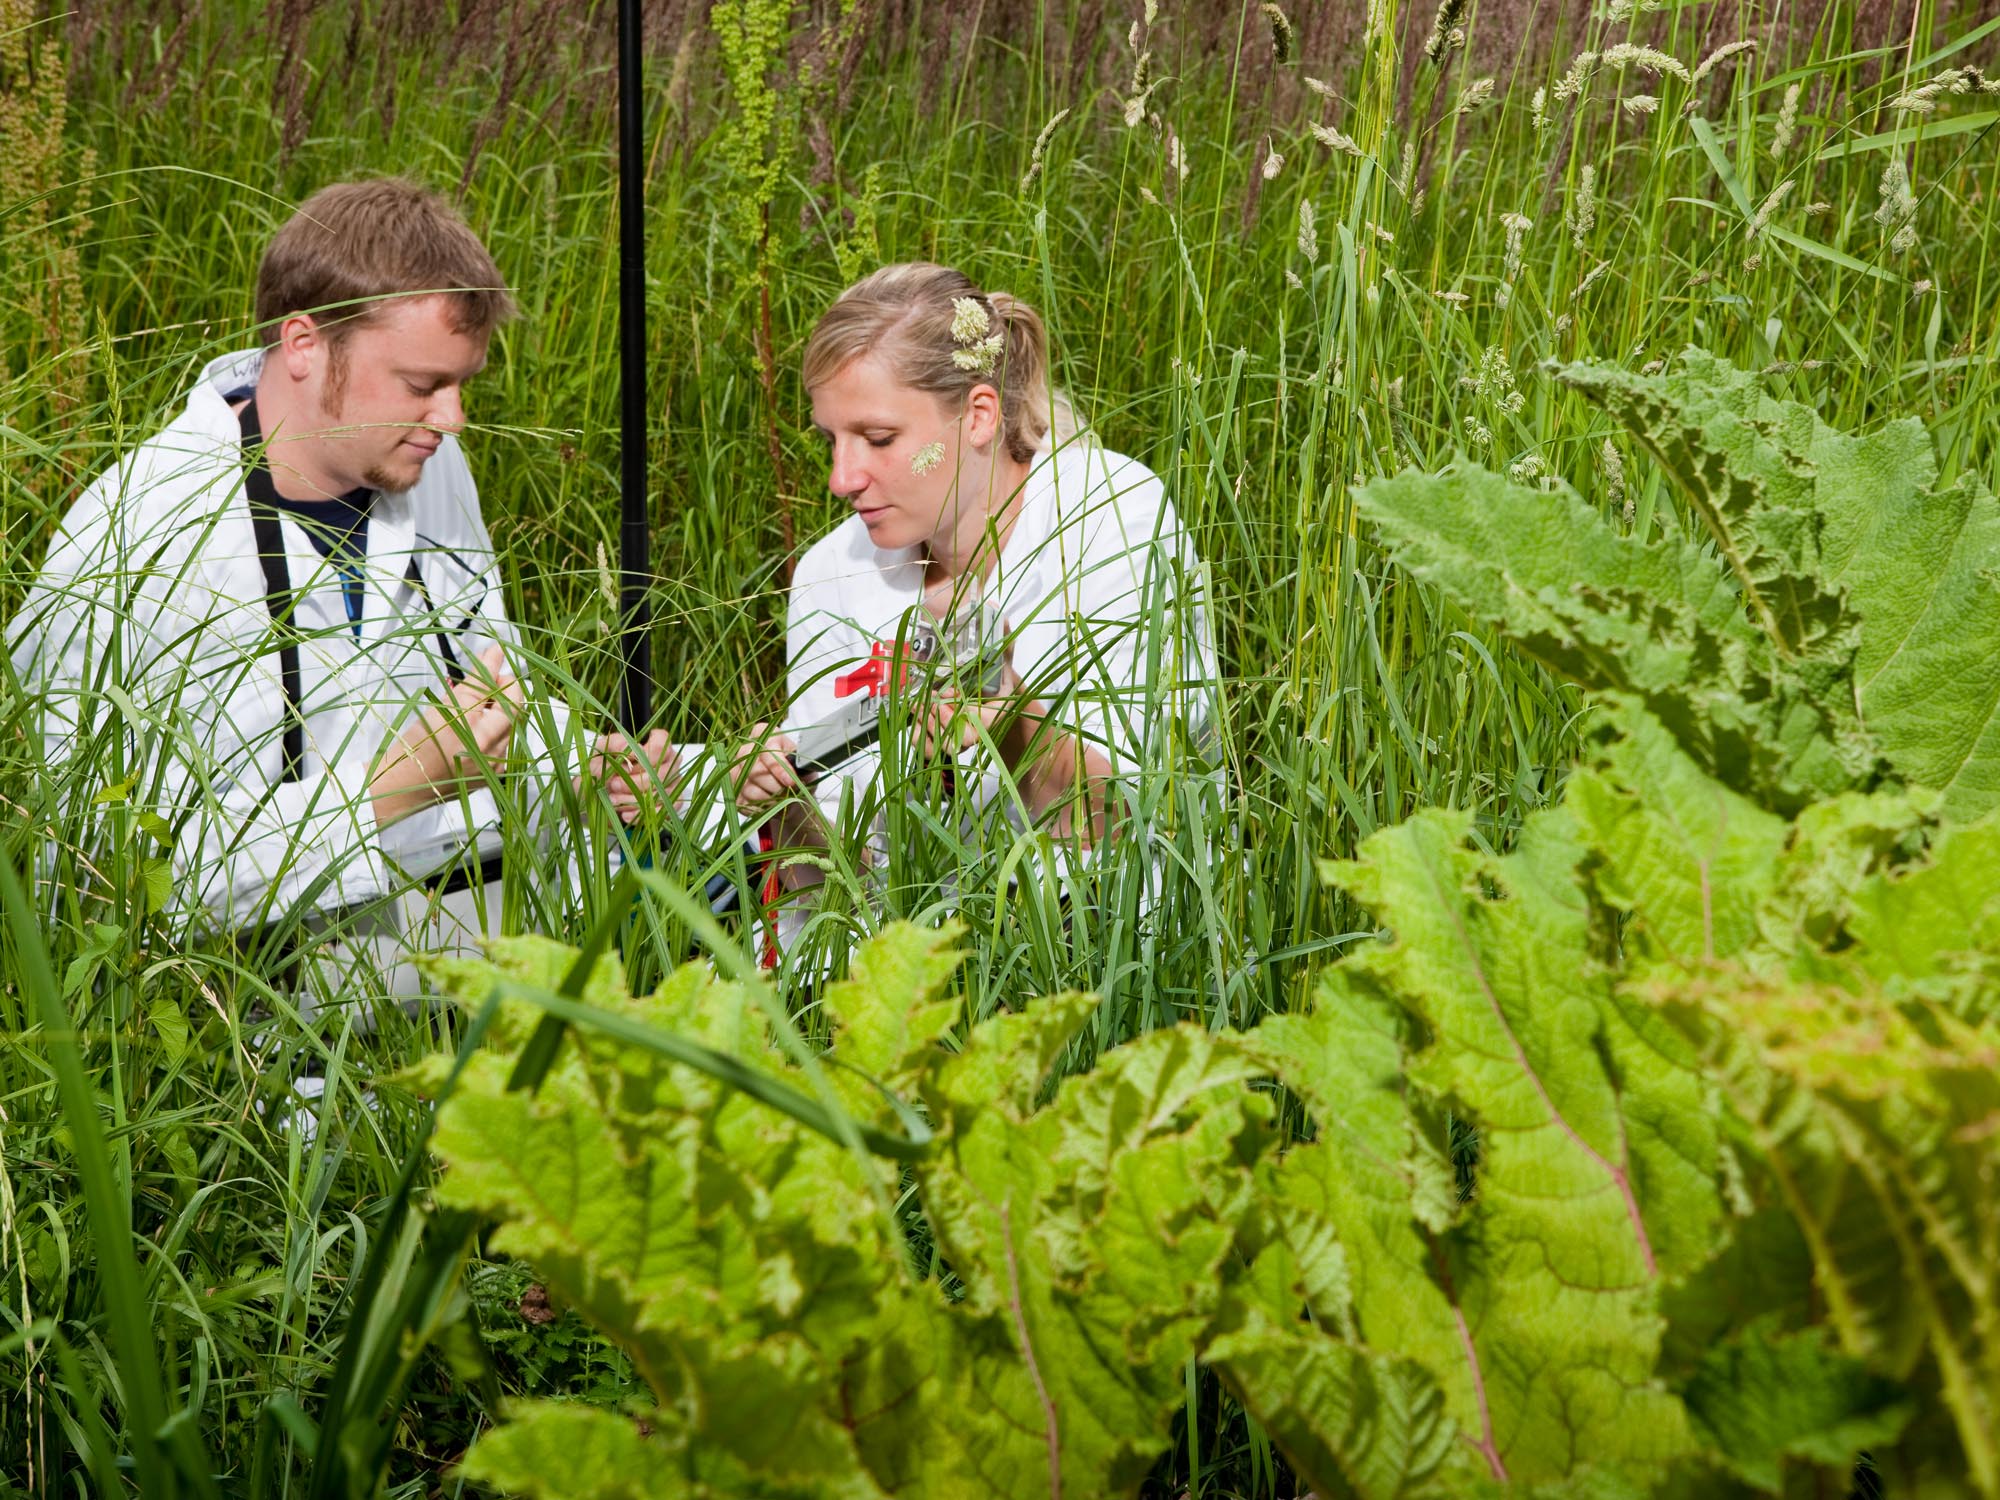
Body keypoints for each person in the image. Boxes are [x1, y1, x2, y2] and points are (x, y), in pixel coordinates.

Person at [11, 178, 674, 973]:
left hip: (447, 962)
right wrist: (382, 795)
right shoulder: (137, 537)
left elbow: (476, 683)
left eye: (463, 384)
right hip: (240, 1036)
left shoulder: (429, 464)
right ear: (303, 344)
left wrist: (580, 765)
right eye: (423, 385)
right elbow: (90, 888)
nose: (454, 419)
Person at [735, 263, 1214, 943]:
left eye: (878, 440)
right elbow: (839, 885)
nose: (842, 478)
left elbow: (1132, 824)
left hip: (1095, 955)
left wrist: (1015, 725)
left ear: (980, 415)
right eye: (829, 441)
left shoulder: (1114, 522)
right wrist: (787, 804)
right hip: (898, 968)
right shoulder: (832, 573)